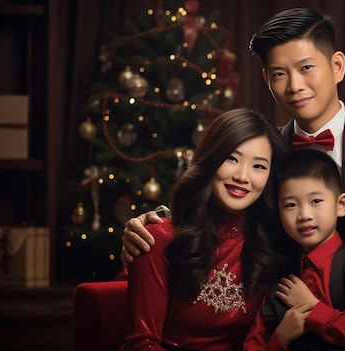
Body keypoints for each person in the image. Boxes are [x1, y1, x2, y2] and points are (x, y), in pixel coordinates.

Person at [122, 8, 345, 351]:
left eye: (307, 67)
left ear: (337, 66)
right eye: (280, 74)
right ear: (267, 80)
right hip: (296, 339)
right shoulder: (266, 155)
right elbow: (229, 215)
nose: (295, 86)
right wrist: (155, 223)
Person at [120, 108, 285, 350]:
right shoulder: (158, 237)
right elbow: (141, 342)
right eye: (232, 158)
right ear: (211, 158)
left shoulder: (270, 245)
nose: (242, 176)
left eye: (258, 166)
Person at [243, 148, 345, 351]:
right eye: (291, 205)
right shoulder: (279, 276)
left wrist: (313, 309)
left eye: (316, 201)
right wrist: (282, 336)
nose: (304, 215)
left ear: (341, 204)